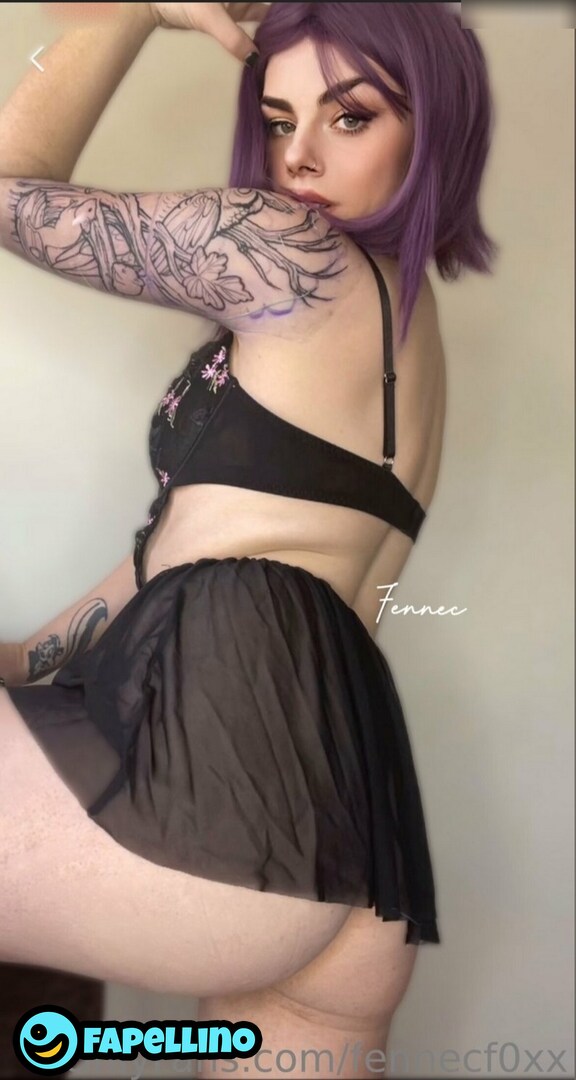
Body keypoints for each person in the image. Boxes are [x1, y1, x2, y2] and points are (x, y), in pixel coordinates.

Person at [0, 3, 497, 1076]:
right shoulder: (411, 336)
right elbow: (180, 561)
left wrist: (128, 10)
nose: (299, 156)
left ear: (435, 124)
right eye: (278, 120)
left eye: (351, 116)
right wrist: (20, 660)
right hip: (347, 840)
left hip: (216, 800)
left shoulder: (291, 255)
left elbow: (6, 187)